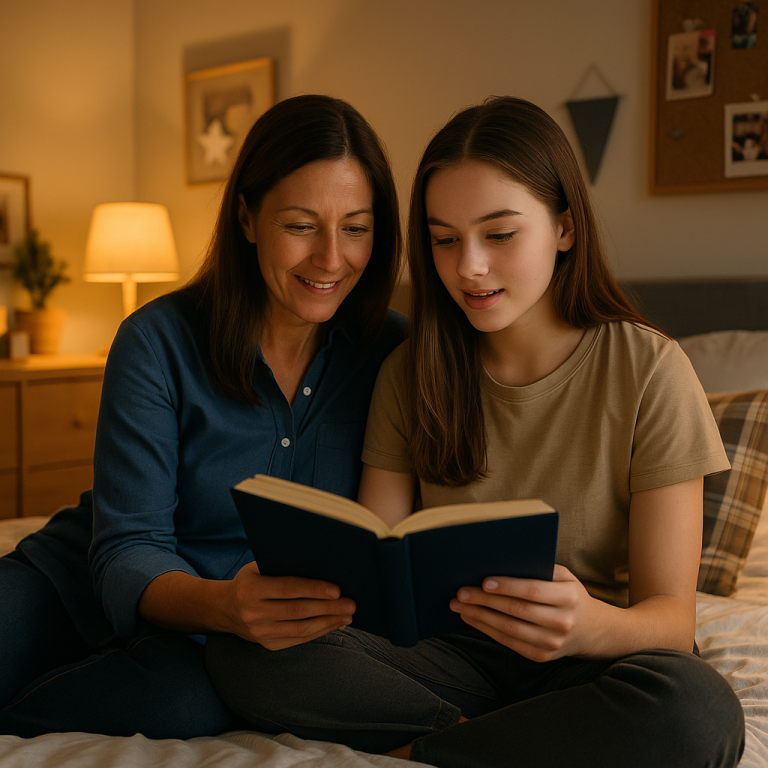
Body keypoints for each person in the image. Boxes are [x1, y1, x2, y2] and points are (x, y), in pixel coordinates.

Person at [205, 97, 745, 767]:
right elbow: (377, 557)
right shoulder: (412, 369)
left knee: (696, 706)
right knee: (239, 649)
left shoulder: (649, 370)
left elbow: (671, 619)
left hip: (580, 657)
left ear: (565, 228)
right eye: (444, 238)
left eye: (499, 234)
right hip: (443, 660)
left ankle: (433, 752)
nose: (469, 268)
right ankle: (504, 739)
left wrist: (588, 624)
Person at [0, 93, 405, 739]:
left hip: (207, 641)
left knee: (185, 706)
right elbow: (128, 545)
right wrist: (223, 602)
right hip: (78, 581)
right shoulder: (156, 339)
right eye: (301, 225)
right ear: (247, 217)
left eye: (356, 227)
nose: (332, 258)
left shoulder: (395, 355)